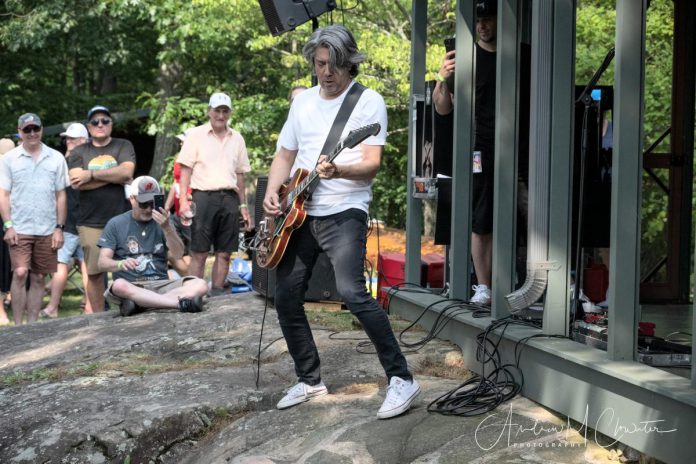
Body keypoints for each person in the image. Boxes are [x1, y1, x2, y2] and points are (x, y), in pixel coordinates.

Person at [263, 25, 420, 419]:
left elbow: (370, 163)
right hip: (298, 210)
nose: (327, 73)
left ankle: (402, 378)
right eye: (320, 64)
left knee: (352, 292)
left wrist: (338, 171)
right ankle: (310, 379)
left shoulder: (368, 102)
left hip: (345, 209)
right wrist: (272, 189)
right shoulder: (302, 103)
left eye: (335, 65)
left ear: (349, 64)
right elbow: (286, 153)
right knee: (285, 296)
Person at [433, 0, 498, 305]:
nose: (483, 25)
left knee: (533, 214)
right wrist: (442, 76)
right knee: (481, 217)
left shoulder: (522, 56)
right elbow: (442, 107)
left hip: (523, 151)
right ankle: (483, 286)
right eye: (479, 19)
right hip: (480, 149)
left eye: (489, 18)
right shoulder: (467, 58)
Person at [98, 176, 208, 316]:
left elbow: (178, 254)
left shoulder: (164, 221)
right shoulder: (115, 224)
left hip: (161, 284)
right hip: (132, 286)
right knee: (119, 285)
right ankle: (178, 303)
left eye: (153, 202)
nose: (149, 209)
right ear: (132, 199)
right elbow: (102, 263)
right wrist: (120, 264)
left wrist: (167, 228)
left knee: (200, 284)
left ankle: (143, 304)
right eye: (144, 204)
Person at [177, 93, 252, 296]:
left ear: (229, 113)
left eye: (224, 111)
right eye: (217, 110)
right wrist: (183, 200)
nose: (220, 115)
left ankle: (218, 291)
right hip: (203, 197)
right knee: (199, 251)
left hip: (229, 197)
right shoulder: (196, 135)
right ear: (209, 111)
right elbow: (185, 169)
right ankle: (192, 293)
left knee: (225, 252)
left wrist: (243, 206)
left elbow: (240, 174)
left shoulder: (237, 138)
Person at [0, 113, 69, 324]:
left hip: (48, 228)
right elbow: (3, 194)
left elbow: (61, 195)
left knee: (39, 277)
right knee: (20, 273)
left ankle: (32, 327)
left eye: (35, 128)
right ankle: (18, 326)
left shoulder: (56, 157)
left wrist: (59, 228)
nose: (32, 133)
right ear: (19, 131)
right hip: (19, 227)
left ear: (41, 129)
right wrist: (8, 225)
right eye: (27, 129)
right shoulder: (8, 159)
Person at [68, 105, 136, 312]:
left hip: (123, 219)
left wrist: (91, 175)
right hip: (90, 221)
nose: (100, 125)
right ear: (88, 127)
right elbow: (76, 181)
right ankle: (99, 318)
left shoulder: (123, 145)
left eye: (105, 121)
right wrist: (113, 176)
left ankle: (131, 311)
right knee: (95, 273)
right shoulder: (79, 151)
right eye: (95, 122)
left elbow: (127, 173)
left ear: (111, 125)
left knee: (127, 270)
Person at [42, 123, 92, 318]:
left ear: (84, 141)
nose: (68, 141)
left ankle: (53, 307)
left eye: (73, 138)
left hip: (71, 222)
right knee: (85, 264)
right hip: (85, 221)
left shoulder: (70, 161)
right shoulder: (88, 160)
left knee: (61, 263)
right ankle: (89, 306)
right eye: (67, 138)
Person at [163, 131, 192, 276]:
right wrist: (167, 207)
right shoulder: (178, 159)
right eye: (181, 141)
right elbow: (175, 184)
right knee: (176, 251)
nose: (181, 144)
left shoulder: (197, 159)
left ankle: (194, 283)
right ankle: (188, 281)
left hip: (191, 213)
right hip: (177, 213)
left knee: (192, 253)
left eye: (184, 141)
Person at [0, 138, 16, 325]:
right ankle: (2, 311)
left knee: (13, 267)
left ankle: (6, 307)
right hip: (7, 223)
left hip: (14, 222)